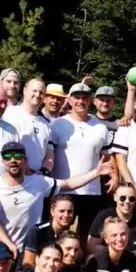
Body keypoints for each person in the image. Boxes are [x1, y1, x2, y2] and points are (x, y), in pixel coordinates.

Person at [0, 141, 112, 250]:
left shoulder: (39, 182)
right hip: (1, 249)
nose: (12, 160)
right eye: (7, 157)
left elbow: (69, 184)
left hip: (32, 248)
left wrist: (96, 173)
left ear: (25, 160)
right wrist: (8, 244)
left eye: (17, 156)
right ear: (3, 162)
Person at [49, 83, 116, 246]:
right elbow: (49, 155)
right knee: (59, 231)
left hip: (91, 190)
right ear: (70, 100)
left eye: (84, 98)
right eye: (77, 97)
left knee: (87, 233)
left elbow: (107, 156)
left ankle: (84, 267)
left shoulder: (100, 127)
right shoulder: (57, 124)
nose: (81, 101)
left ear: (90, 100)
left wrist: (114, 176)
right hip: (64, 188)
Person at [3, 79, 52, 176]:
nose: (37, 95)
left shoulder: (46, 124)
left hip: (37, 180)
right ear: (24, 91)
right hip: (14, 178)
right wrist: (26, 172)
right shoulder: (9, 114)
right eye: (34, 91)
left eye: (41, 92)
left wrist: (43, 172)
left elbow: (50, 154)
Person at [87, 184, 136, 254]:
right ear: (115, 197)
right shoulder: (104, 216)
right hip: (109, 258)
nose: (127, 202)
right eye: (122, 198)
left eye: (131, 199)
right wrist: (114, 254)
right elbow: (92, 245)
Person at [23, 195, 75, 267]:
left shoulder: (68, 235)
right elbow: (28, 264)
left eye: (70, 211)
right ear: (52, 212)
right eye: (61, 211)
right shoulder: (38, 231)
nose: (66, 215)